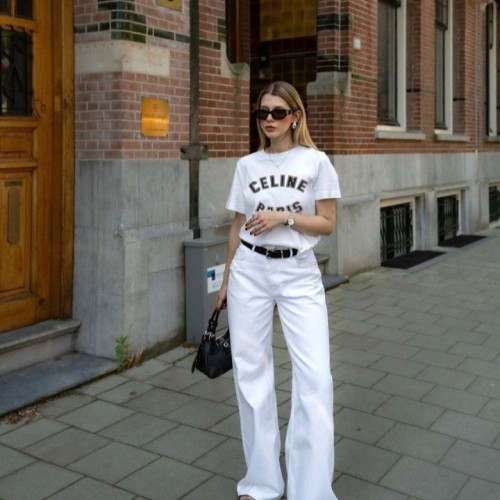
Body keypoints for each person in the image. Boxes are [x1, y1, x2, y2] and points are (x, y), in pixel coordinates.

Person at [215, 81, 341, 500]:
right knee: (251, 376)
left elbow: (327, 222)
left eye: (278, 112)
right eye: (263, 112)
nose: (269, 119)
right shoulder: (247, 165)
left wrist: (283, 217)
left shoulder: (316, 162)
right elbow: (236, 226)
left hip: (298, 273)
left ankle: (311, 489)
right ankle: (262, 483)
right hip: (249, 270)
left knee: (315, 377)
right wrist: (227, 278)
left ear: (295, 116)